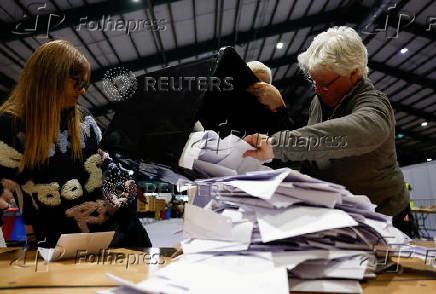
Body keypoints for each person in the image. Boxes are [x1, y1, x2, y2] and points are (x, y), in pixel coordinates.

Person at [243, 26, 411, 235]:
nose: (316, 89)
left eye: (324, 84)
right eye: (313, 81)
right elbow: (312, 153)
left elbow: (354, 133)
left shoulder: (375, 104)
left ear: (354, 74)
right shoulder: (319, 101)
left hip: (384, 217)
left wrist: (278, 144)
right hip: (341, 214)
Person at [0, 40, 151, 248]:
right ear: (50, 80)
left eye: (85, 85)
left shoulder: (84, 120)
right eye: (77, 83)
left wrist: (126, 187)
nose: (82, 92)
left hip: (119, 236)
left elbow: (107, 166)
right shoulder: (12, 125)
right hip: (62, 248)